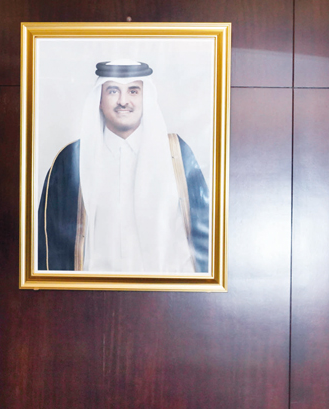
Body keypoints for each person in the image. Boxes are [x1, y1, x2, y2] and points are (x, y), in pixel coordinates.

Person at [36, 60, 210, 274]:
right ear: (99, 100)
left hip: (163, 297)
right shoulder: (70, 161)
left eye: (133, 91)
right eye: (113, 91)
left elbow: (204, 234)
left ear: (146, 98)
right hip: (88, 297)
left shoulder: (176, 154)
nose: (123, 101)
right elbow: (49, 243)